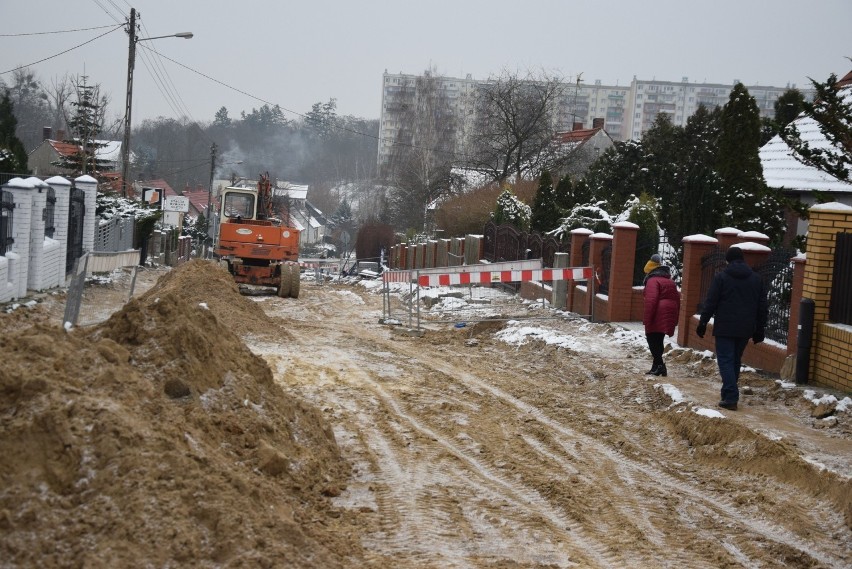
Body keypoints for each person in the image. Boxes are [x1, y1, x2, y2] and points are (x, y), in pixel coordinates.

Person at [696, 246, 768, 411]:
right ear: (743, 259)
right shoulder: (756, 279)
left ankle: (730, 396)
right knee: (735, 359)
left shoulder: (721, 278)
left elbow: (711, 302)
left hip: (725, 327)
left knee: (726, 360)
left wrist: (703, 322)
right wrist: (760, 328)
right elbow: (762, 306)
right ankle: (727, 393)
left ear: (727, 261)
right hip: (745, 328)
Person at [642, 254, 681, 377]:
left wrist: (647, 319)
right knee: (658, 339)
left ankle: (659, 365)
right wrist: (675, 318)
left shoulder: (652, 281)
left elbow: (651, 301)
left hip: (657, 313)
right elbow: (677, 299)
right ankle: (657, 366)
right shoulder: (669, 281)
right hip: (668, 312)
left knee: (651, 339)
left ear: (650, 271)